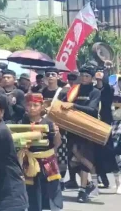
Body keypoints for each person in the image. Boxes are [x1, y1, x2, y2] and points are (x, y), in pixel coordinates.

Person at [57, 63, 100, 202]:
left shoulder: (95, 92)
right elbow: (63, 103)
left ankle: (82, 190)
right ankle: (89, 184)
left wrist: (74, 105)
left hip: (87, 129)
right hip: (72, 128)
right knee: (73, 159)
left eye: (87, 76)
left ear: (92, 78)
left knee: (82, 159)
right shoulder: (73, 90)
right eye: (82, 75)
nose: (83, 78)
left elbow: (93, 109)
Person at [18, 92, 63, 211]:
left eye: (35, 105)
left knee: (50, 190)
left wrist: (57, 132)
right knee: (31, 191)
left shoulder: (48, 122)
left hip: (47, 160)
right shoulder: (22, 121)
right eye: (29, 105)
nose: (32, 108)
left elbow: (57, 143)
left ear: (42, 106)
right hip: (29, 160)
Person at [94, 69, 119, 189]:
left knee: (109, 152)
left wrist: (102, 79)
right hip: (94, 124)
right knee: (97, 154)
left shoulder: (109, 89)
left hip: (106, 124)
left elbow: (107, 94)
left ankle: (118, 182)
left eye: (100, 73)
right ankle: (103, 180)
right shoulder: (93, 90)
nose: (98, 75)